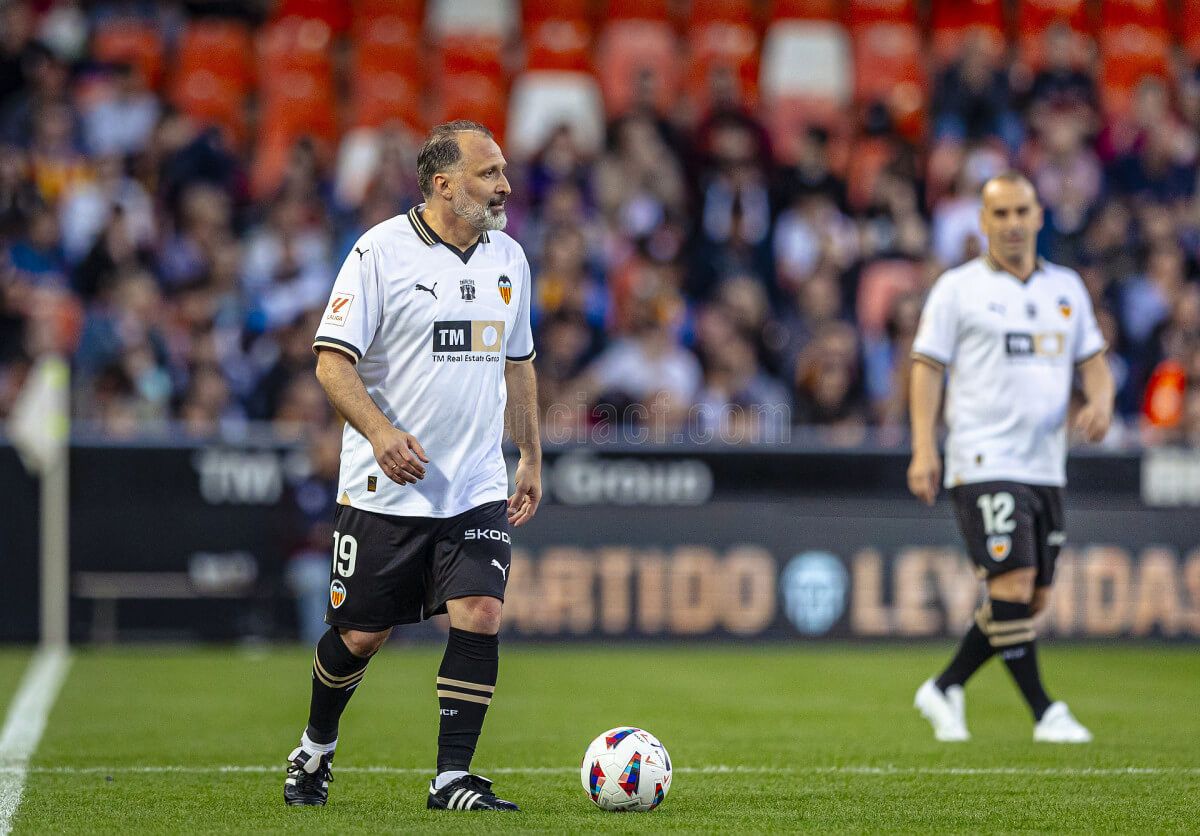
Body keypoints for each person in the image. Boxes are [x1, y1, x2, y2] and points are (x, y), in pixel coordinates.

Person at [284, 120, 541, 811]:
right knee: (361, 636)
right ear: (442, 184)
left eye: (502, 172)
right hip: (386, 485)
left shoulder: (509, 259)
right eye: (488, 174)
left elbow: (519, 364)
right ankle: (315, 747)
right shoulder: (379, 252)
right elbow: (331, 361)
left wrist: (530, 456)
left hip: (476, 485)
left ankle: (452, 777)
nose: (504, 186)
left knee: (481, 612)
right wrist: (379, 431)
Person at [907, 173, 1114, 743]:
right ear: (983, 221)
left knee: (1029, 596)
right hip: (983, 456)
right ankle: (1047, 712)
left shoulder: (1066, 288)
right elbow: (927, 365)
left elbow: (1093, 360)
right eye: (1000, 214)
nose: (1013, 224)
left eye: (1022, 211)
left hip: (1045, 463)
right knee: (1014, 579)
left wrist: (1101, 401)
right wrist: (925, 446)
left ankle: (945, 685)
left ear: (1040, 215)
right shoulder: (957, 289)